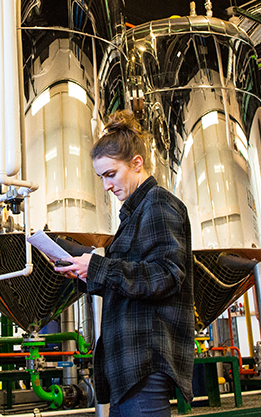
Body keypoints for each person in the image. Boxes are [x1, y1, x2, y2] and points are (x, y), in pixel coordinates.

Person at [54, 110, 195, 417]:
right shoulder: (133, 214)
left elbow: (167, 275)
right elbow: (131, 284)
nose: (106, 186)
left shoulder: (158, 203)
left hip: (145, 364)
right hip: (126, 368)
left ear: (136, 163)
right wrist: (83, 272)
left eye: (111, 174)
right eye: (101, 177)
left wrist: (99, 267)